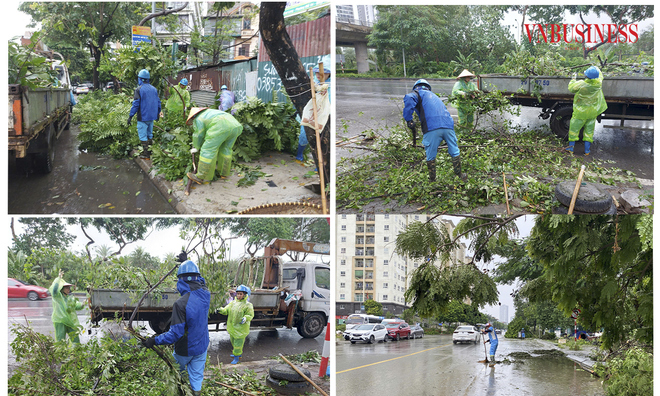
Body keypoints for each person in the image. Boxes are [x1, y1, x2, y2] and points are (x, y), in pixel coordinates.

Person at [142, 260, 210, 396]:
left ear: (181, 281)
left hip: (184, 349)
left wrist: (154, 340)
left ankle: (181, 391)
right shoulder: (206, 294)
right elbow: (201, 281)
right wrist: (188, 262)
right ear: (197, 277)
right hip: (202, 347)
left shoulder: (181, 303)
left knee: (178, 374)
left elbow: (175, 334)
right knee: (196, 377)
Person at [403, 78, 466, 182]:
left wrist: (409, 119)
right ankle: (460, 175)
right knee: (454, 150)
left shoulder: (417, 93)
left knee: (431, 154)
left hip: (432, 127)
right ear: (428, 87)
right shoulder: (434, 96)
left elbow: (409, 98)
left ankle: (432, 180)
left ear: (416, 87)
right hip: (448, 126)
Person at [186, 107, 244, 184]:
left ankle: (200, 176)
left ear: (193, 116)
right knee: (226, 149)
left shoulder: (198, 118)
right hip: (235, 126)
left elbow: (199, 135)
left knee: (207, 150)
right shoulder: (211, 112)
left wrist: (196, 147)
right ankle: (224, 173)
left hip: (220, 127)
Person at [566, 66, 607, 155]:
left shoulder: (581, 84)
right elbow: (600, 75)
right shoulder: (598, 84)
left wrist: (573, 78)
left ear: (586, 76)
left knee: (574, 130)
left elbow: (571, 88)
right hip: (592, 112)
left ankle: (570, 149)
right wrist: (595, 67)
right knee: (589, 131)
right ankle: (587, 151)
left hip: (580, 112)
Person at [296, 65, 332, 162]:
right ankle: (299, 154)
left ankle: (320, 161)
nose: (318, 75)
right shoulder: (312, 82)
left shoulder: (331, 85)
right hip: (310, 113)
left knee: (321, 138)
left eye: (323, 73)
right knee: (304, 135)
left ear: (329, 73)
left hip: (323, 114)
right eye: (317, 72)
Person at [128, 69, 163, 159]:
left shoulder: (138, 89)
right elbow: (158, 102)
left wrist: (130, 116)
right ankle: (150, 152)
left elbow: (136, 104)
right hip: (151, 117)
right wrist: (158, 113)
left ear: (140, 79)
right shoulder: (154, 89)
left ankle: (145, 154)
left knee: (143, 135)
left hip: (142, 117)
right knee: (149, 134)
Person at [218, 285, 254, 364]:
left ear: (245, 294)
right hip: (232, 328)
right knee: (233, 342)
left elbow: (250, 315)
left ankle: (237, 357)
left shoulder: (248, 305)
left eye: (241, 294)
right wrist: (220, 310)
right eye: (238, 294)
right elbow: (226, 310)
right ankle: (237, 354)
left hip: (241, 329)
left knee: (238, 345)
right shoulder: (233, 303)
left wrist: (245, 318)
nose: (239, 296)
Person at [48, 270, 84, 343]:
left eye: (69, 288)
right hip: (60, 321)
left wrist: (82, 304)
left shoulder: (69, 298)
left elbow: (76, 306)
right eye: (66, 288)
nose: (68, 289)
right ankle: (61, 353)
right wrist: (58, 279)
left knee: (75, 338)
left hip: (69, 321)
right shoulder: (57, 296)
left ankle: (76, 352)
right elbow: (54, 290)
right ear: (61, 288)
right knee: (60, 340)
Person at [451, 69, 479, 135]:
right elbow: (455, 92)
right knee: (462, 120)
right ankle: (461, 133)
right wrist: (463, 93)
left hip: (470, 105)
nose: (469, 78)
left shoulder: (471, 84)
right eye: (467, 77)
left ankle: (469, 133)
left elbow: (476, 90)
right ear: (463, 77)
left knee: (470, 120)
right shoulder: (458, 84)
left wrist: (475, 93)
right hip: (461, 104)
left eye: (469, 77)